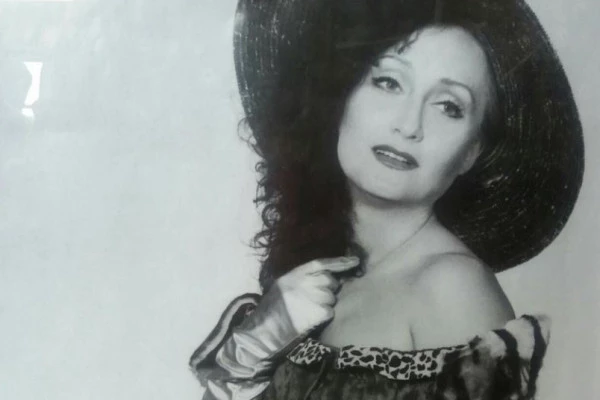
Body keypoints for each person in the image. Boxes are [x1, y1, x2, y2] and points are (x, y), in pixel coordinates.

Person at [189, 0, 584, 398]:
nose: (409, 125)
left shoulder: (453, 288)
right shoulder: (318, 270)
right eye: (389, 83)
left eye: (449, 106)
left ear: (472, 151)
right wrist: (249, 354)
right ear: (342, 94)